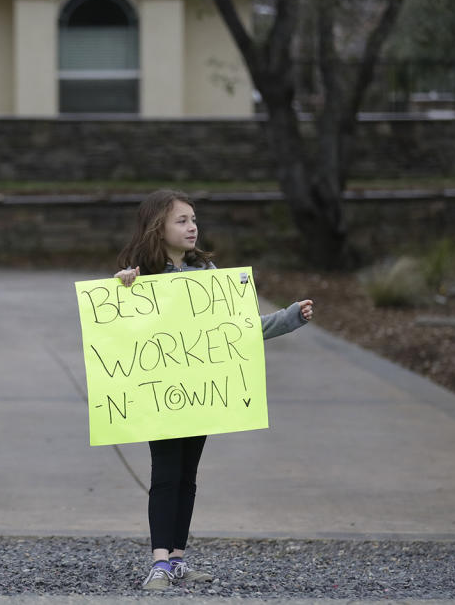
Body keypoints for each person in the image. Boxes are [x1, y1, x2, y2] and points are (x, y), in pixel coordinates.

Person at [113, 189, 314, 591]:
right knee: (166, 473)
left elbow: (236, 330)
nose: (192, 227)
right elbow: (116, 330)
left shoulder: (208, 273)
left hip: (199, 391)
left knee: (188, 475)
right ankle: (158, 564)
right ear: (158, 227)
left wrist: (289, 318)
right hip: (160, 392)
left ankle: (178, 559)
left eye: (193, 220)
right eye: (181, 221)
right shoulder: (138, 275)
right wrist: (122, 289)